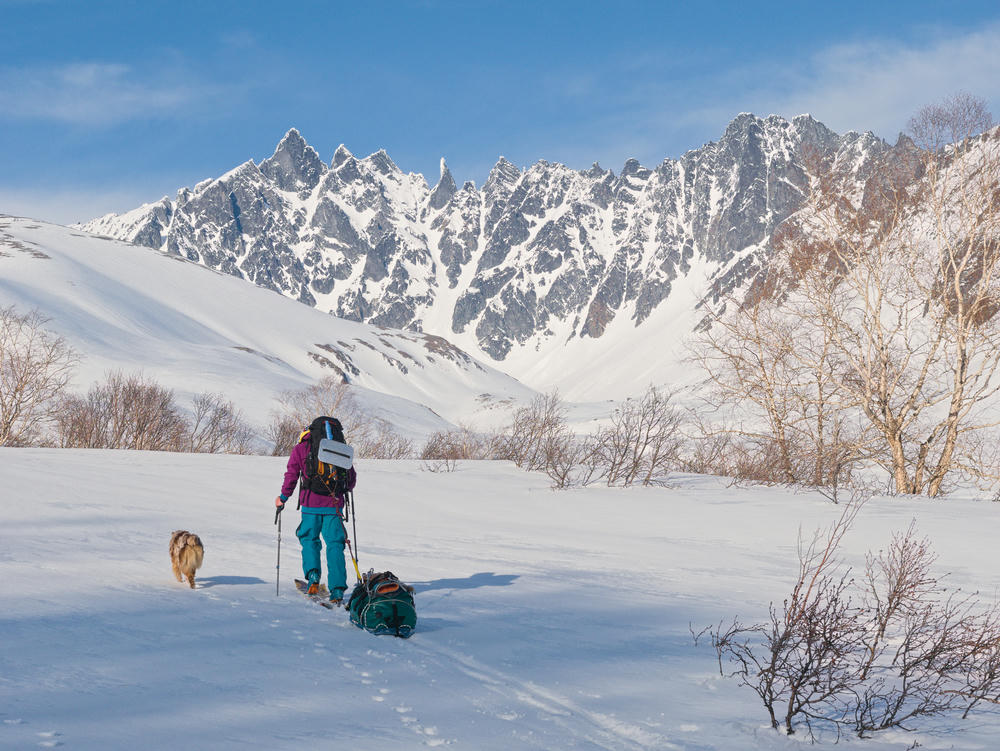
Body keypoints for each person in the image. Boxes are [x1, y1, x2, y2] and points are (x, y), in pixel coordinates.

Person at [274, 416, 357, 603]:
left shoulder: (301, 449)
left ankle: (313, 577)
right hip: (334, 506)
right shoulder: (340, 449)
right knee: (335, 545)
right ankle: (337, 591)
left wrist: (283, 498)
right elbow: (350, 481)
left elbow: (292, 476)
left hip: (310, 505)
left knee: (309, 540)